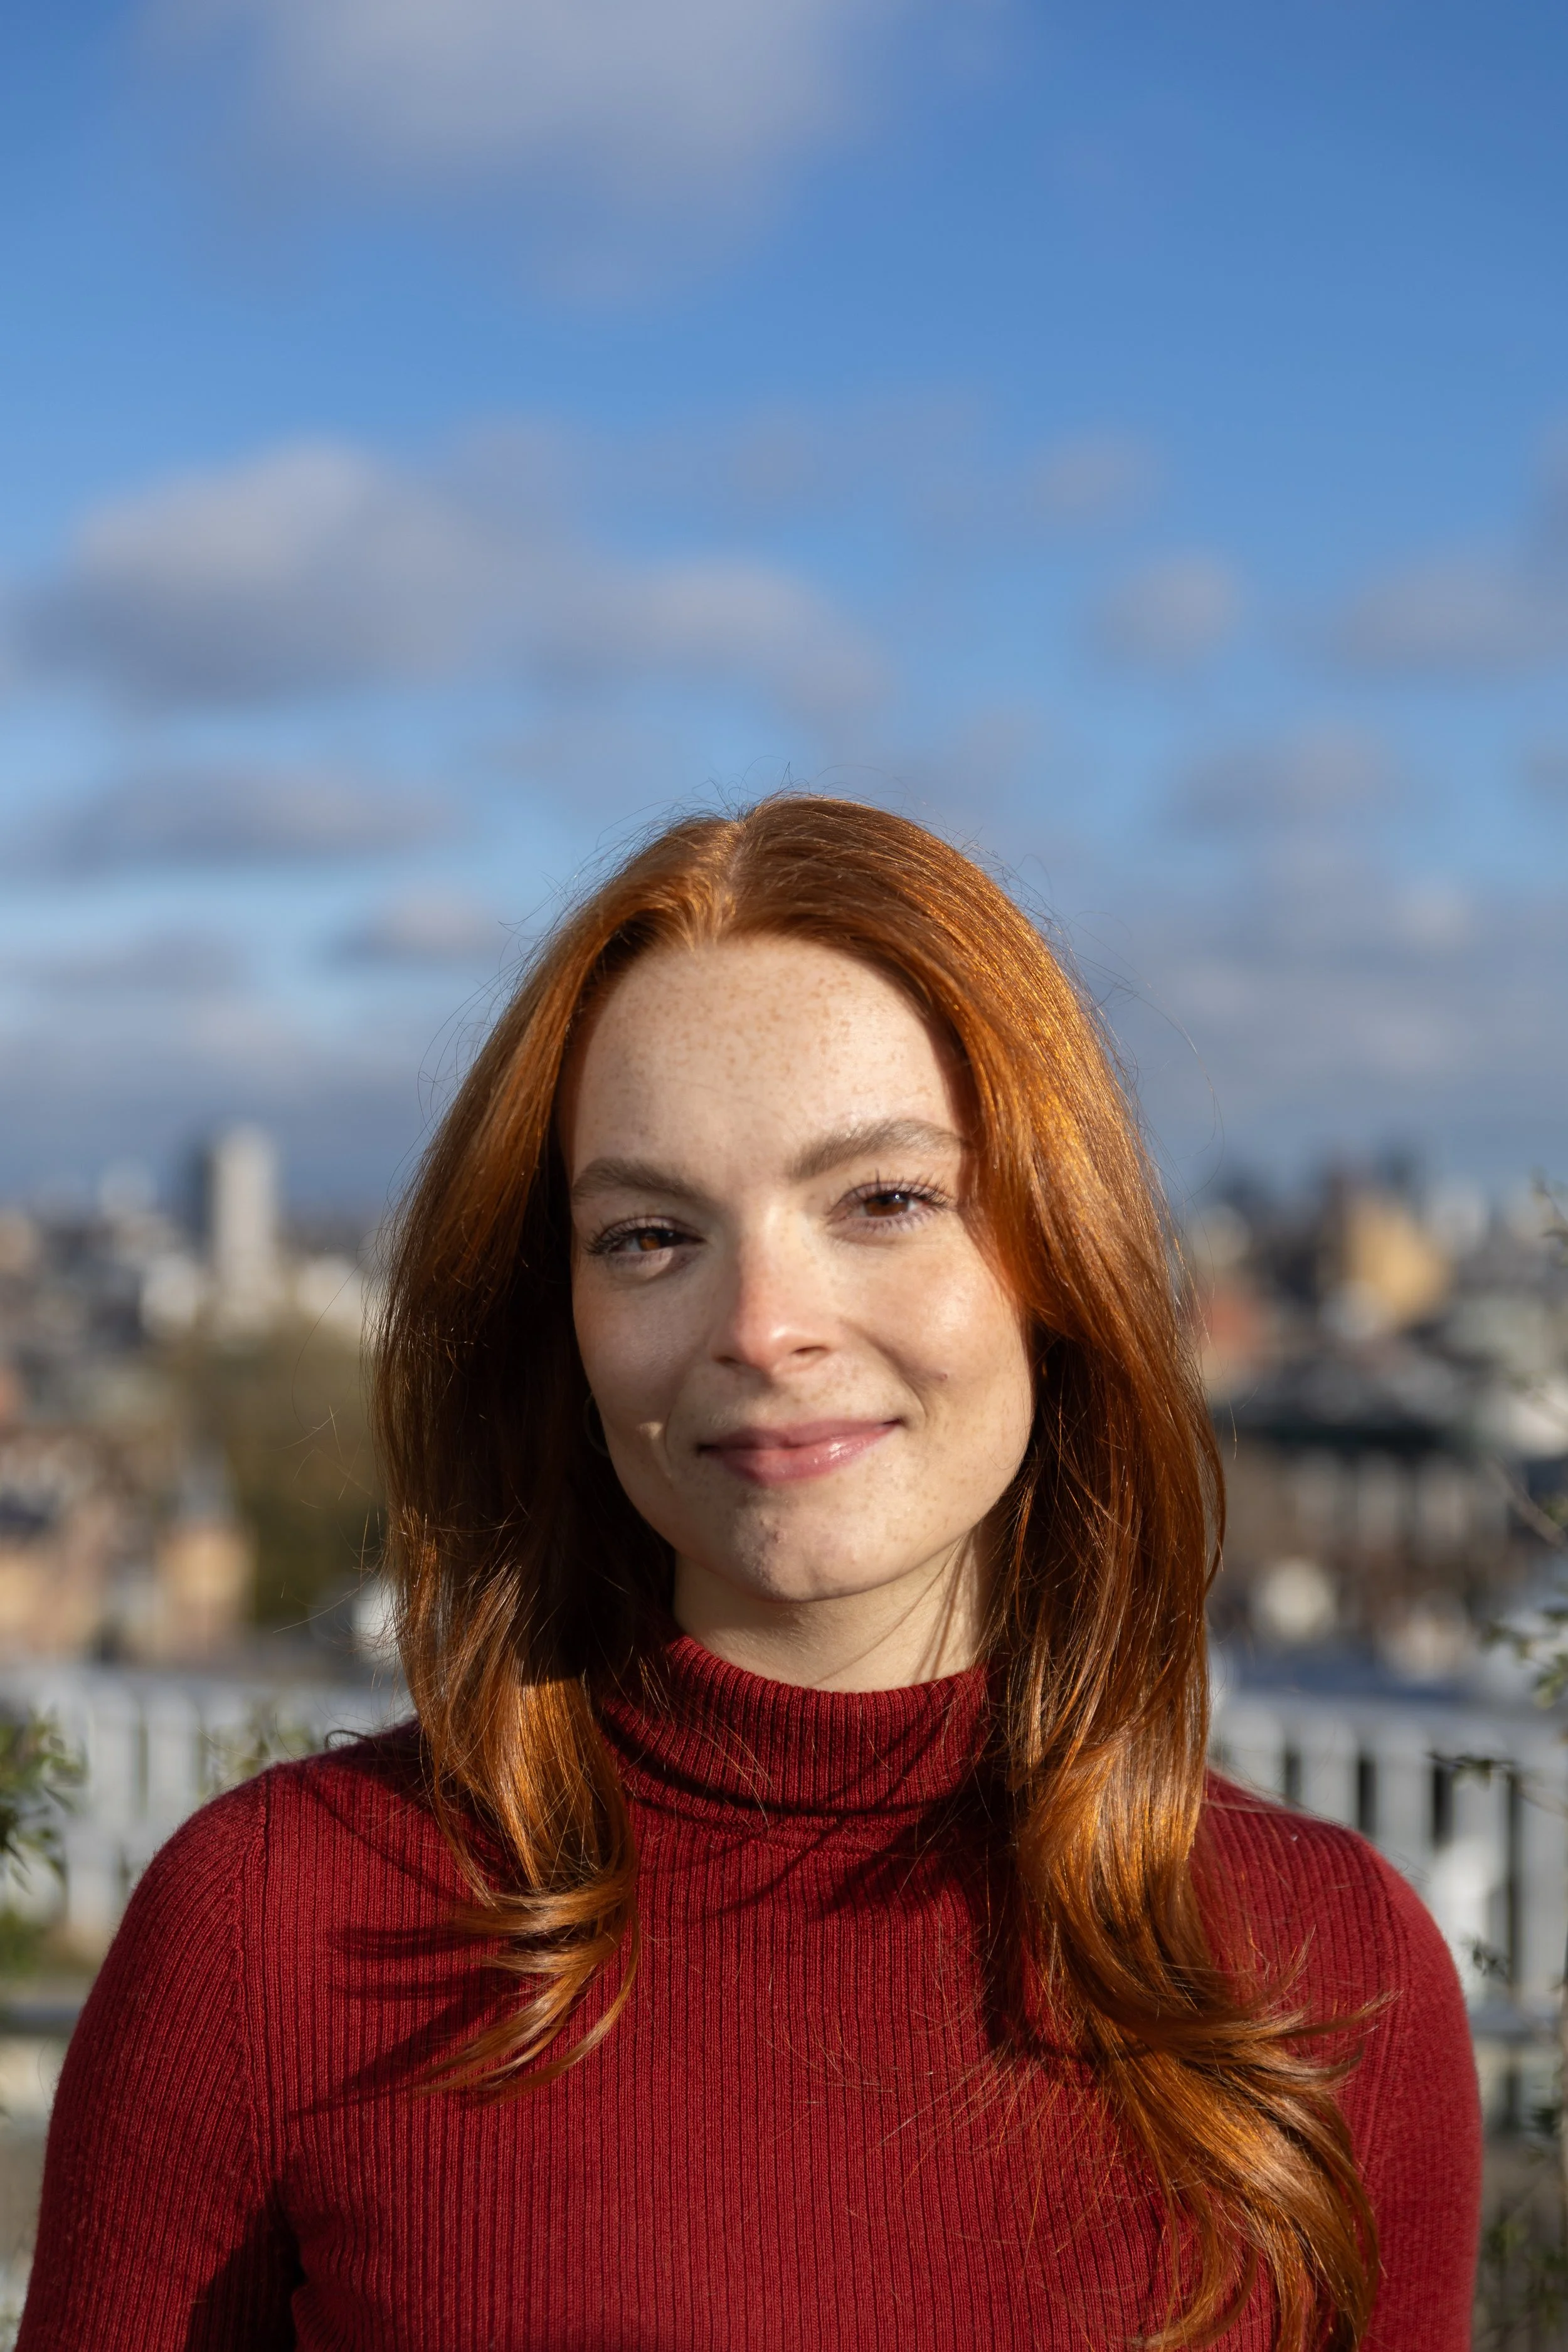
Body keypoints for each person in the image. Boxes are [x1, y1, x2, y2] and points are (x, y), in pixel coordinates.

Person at [21, 798, 1479, 2351]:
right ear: (556, 1321)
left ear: (1061, 1257)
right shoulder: (279, 1933)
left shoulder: (1326, 1979)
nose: (762, 1325)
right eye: (650, 1235)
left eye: (886, 1201)